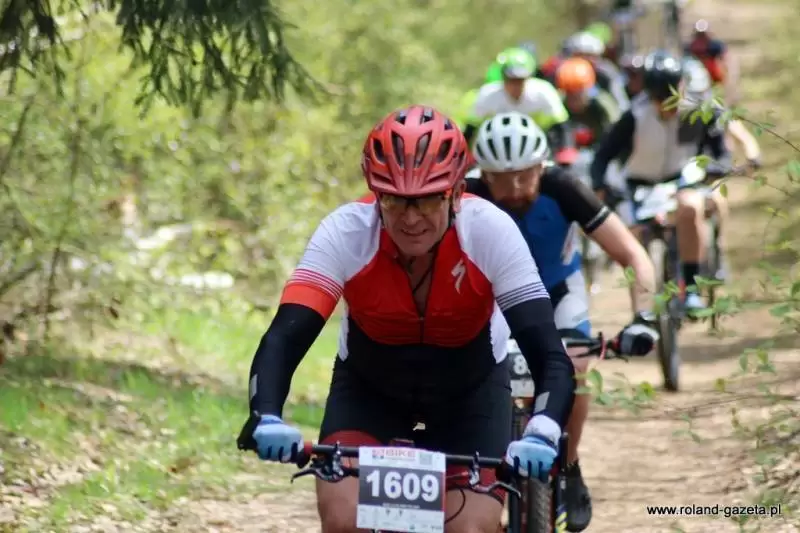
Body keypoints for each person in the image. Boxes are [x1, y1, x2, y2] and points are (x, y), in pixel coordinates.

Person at [244, 105, 577, 533]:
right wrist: (266, 415)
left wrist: (542, 428)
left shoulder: (491, 231)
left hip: (469, 396)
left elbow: (548, 353)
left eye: (428, 199)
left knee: (469, 529)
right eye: (394, 199)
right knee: (344, 520)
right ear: (374, 192)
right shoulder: (345, 232)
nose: (411, 217)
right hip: (369, 394)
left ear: (455, 194)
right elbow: (285, 337)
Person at [468, 111, 659, 533]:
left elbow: (632, 254)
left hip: (556, 291)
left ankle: (568, 464)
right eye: (502, 179)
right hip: (491, 298)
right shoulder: (466, 194)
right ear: (484, 174)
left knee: (576, 364)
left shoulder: (565, 188)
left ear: (542, 167)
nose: (515, 189)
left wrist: (643, 316)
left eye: (525, 176)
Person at [589, 50, 734, 315]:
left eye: (672, 98)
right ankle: (642, 309)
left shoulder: (696, 110)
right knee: (631, 235)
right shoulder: (634, 116)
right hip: (639, 185)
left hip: (681, 179)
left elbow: (720, 148)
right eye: (660, 100)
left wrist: (718, 165)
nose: (667, 107)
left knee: (691, 208)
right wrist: (599, 184)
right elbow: (602, 155)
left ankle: (691, 289)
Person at [464, 48, 577, 165]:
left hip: (535, 146)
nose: (516, 86)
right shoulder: (487, 95)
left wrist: (567, 149)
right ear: (503, 78)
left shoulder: (544, 92)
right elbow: (471, 128)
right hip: (498, 148)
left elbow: (562, 125)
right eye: (511, 80)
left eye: (520, 80)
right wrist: (466, 155)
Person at [555, 57, 621, 145]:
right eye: (569, 93)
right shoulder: (558, 106)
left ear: (587, 89)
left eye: (577, 92)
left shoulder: (602, 104)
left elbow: (617, 131)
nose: (573, 98)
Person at [562, 32, 631, 113]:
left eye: (590, 56)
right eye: (580, 56)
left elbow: (620, 100)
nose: (587, 59)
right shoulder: (566, 71)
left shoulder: (605, 73)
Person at [685, 19, 740, 105]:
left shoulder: (714, 46)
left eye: (703, 35)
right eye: (699, 35)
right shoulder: (690, 48)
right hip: (695, 84)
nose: (701, 38)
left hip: (713, 81)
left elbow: (727, 58)